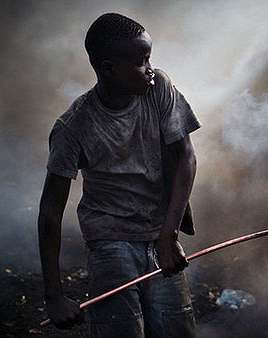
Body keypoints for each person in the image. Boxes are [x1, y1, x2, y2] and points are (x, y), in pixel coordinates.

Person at [37, 13, 200, 337]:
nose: (150, 69)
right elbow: (50, 212)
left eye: (149, 58)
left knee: (177, 330)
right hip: (110, 242)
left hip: (158, 235)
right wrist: (54, 296)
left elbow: (186, 157)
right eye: (141, 62)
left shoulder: (159, 89)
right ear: (109, 68)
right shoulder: (74, 126)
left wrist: (168, 235)